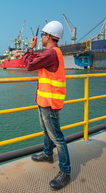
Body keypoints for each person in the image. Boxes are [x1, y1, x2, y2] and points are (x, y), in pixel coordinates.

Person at [22, 21, 71, 191]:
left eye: (43, 34)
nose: (41, 37)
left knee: (57, 136)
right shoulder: (53, 52)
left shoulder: (51, 53)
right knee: (46, 131)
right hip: (45, 101)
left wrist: (30, 48)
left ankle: (65, 171)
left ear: (49, 37)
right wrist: (34, 51)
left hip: (49, 103)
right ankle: (48, 154)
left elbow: (29, 65)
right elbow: (36, 62)